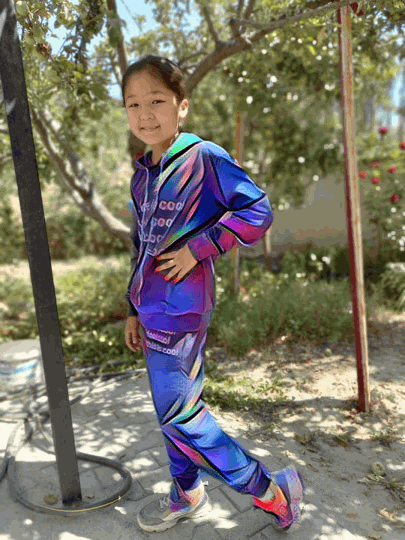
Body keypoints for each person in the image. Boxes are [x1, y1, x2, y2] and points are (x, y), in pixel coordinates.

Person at [122, 54, 305, 534]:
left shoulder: (204, 158)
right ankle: (187, 491)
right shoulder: (142, 174)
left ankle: (271, 490)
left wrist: (198, 249)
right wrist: (131, 307)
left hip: (182, 309)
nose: (145, 114)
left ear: (181, 105)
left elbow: (257, 212)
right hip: (151, 309)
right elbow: (142, 243)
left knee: (182, 417)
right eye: (133, 104)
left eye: (156, 101)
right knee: (171, 412)